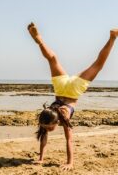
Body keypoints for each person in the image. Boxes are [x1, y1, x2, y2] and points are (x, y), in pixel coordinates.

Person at [27, 22, 118, 171]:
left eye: (49, 129)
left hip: (73, 89)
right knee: (53, 59)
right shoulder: (46, 115)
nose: (48, 130)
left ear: (55, 120)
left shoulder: (63, 115)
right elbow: (44, 135)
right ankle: (40, 41)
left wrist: (70, 163)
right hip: (61, 86)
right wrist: (41, 159)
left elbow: (69, 140)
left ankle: (113, 37)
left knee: (98, 65)